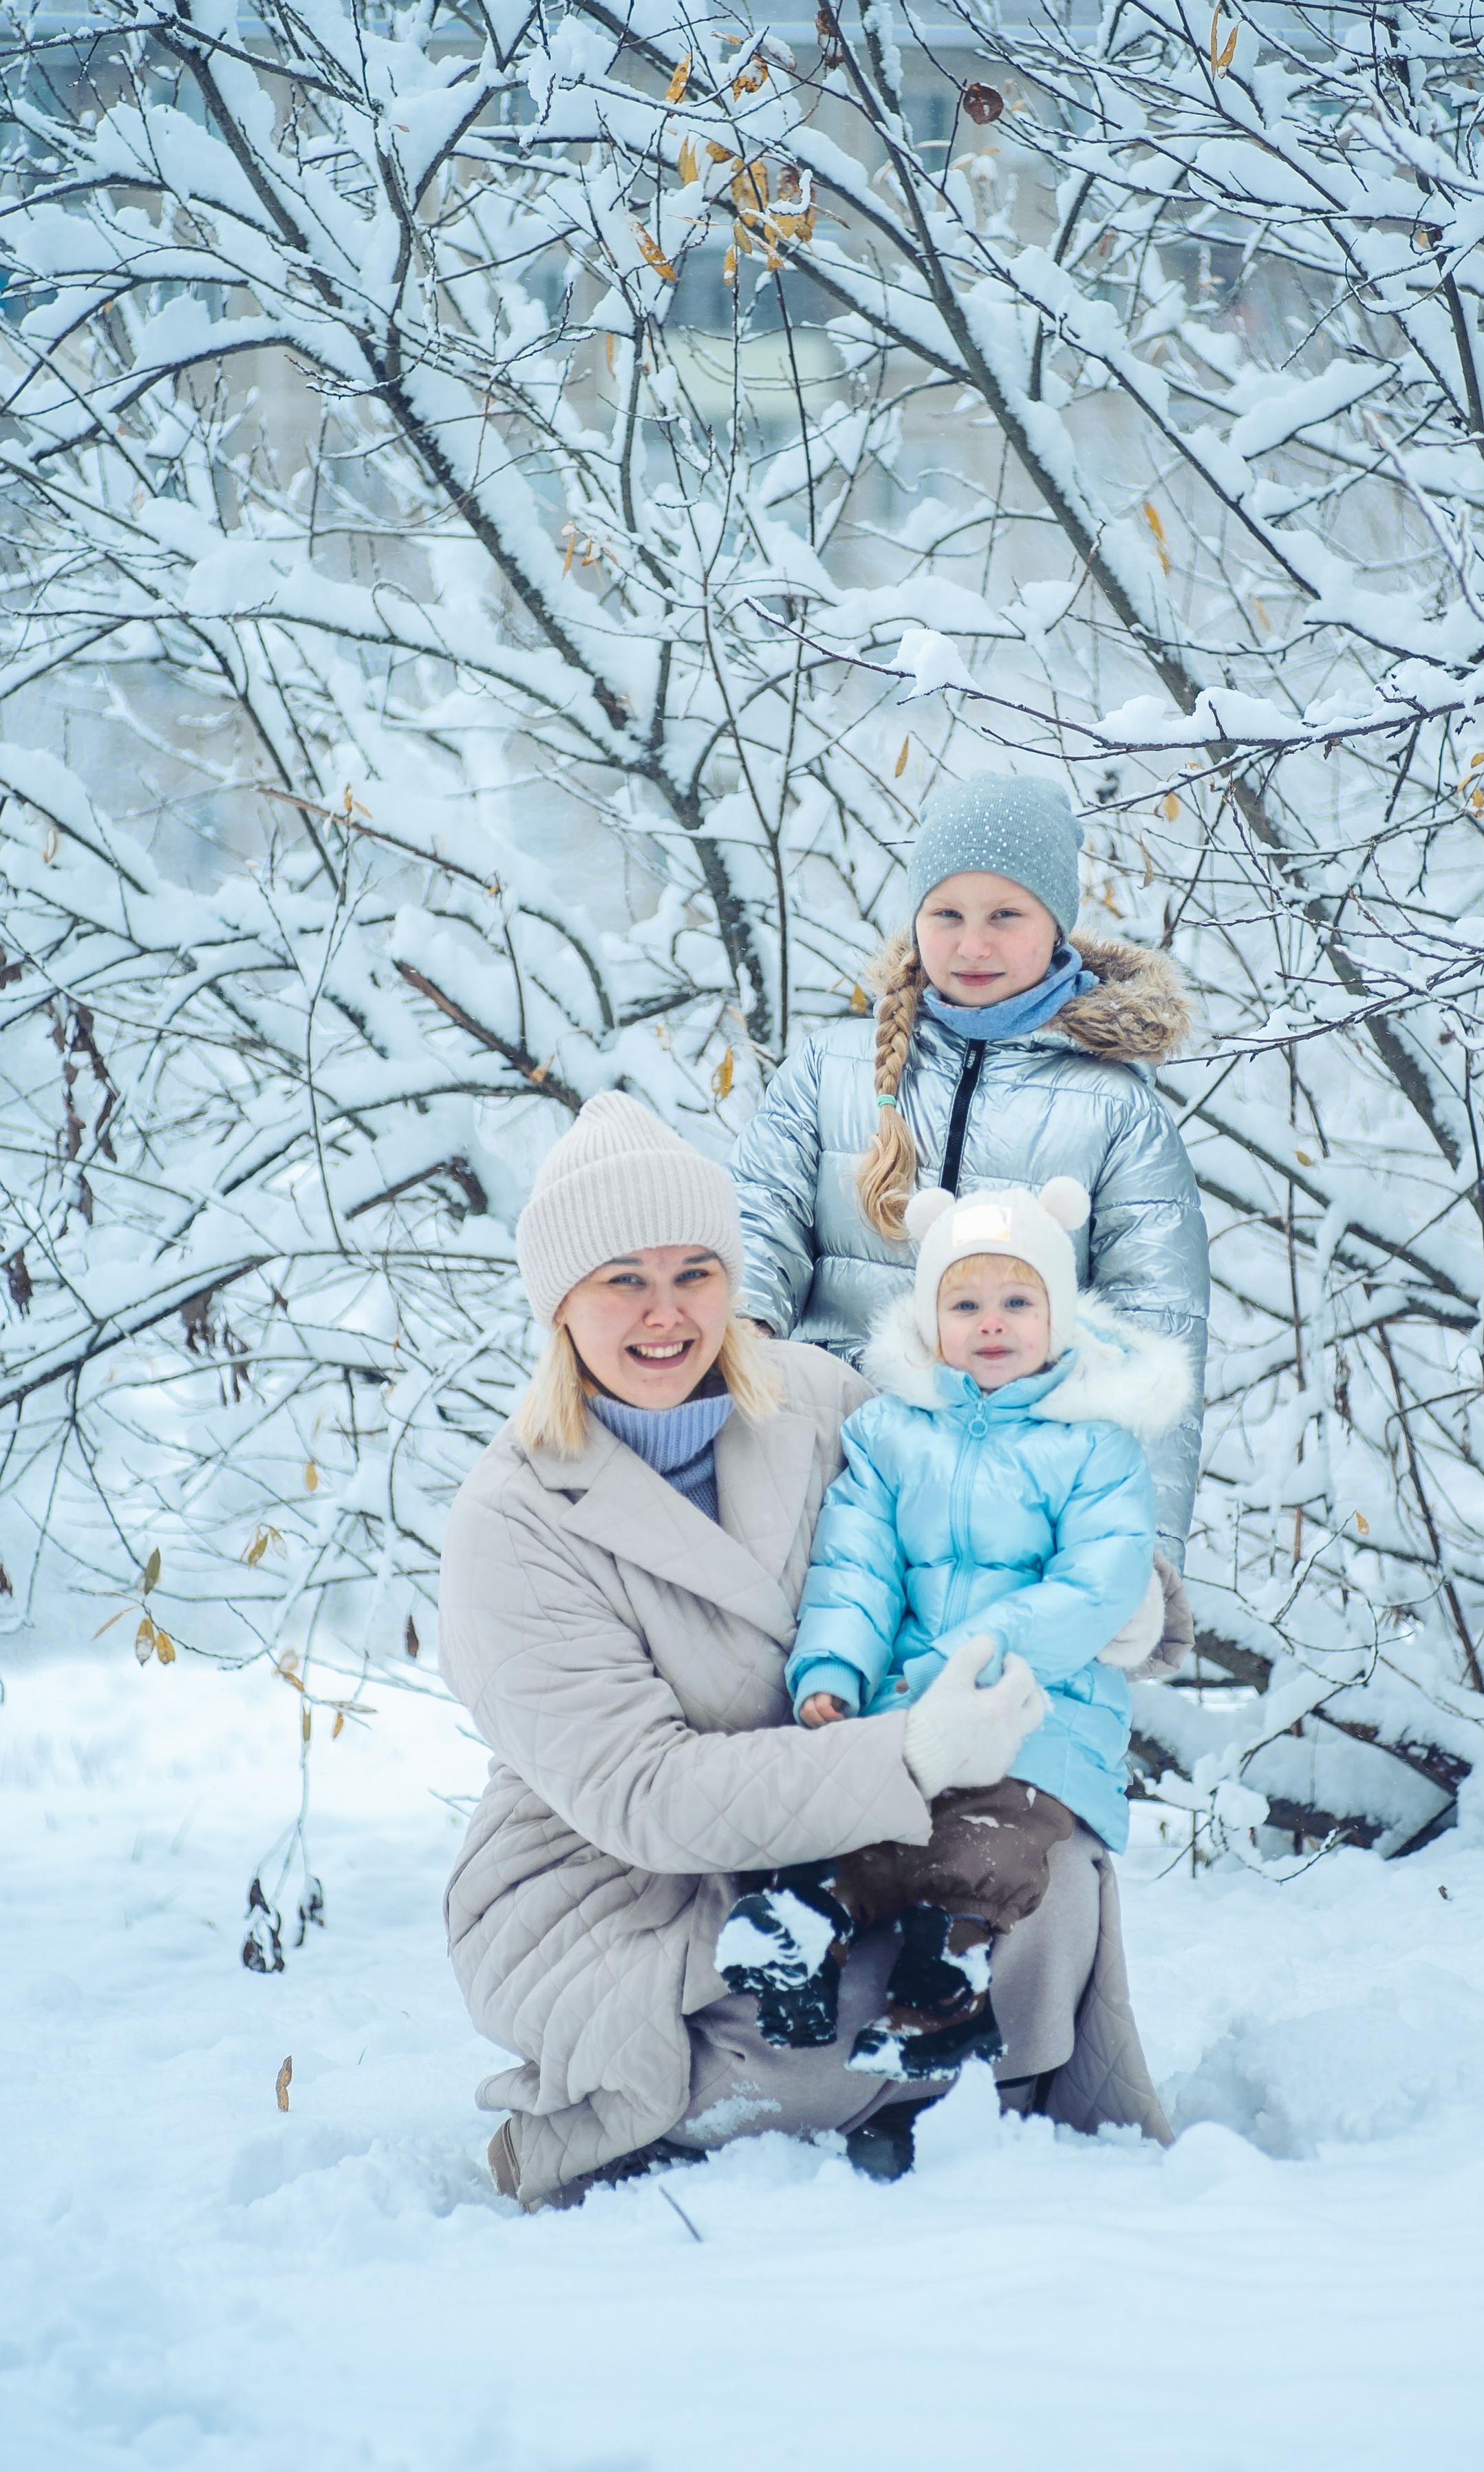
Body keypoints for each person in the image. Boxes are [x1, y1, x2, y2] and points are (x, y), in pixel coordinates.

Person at [438, 1093, 1174, 2207]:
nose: (666, 1313)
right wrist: (915, 1752)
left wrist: (1131, 1602)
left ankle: (945, 2100)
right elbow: (649, 1795)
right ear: (560, 1304)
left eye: (696, 1271)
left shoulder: (817, 1399)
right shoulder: (513, 1520)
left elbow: (1002, 1487)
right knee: (804, 2041)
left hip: (829, 1844)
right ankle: (648, 2120)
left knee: (1047, 1874)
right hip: (622, 1882)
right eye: (623, 1279)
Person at [716, 1177, 1193, 2083]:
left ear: (1059, 1314)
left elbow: (1096, 1583)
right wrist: (833, 1669)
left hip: (1039, 1719)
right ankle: (808, 1923)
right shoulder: (894, 1433)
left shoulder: (1096, 1442)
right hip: (904, 1708)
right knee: (862, 1816)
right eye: (965, 1302)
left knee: (984, 1833)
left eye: (1018, 1299)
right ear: (931, 1317)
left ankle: (945, 1976)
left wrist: (958, 1668)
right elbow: (857, 1566)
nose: (992, 1322)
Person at [727, 771, 1208, 1598]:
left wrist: (1144, 1558)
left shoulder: (1114, 1107)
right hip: (826, 1471)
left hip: (1010, 1500)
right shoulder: (828, 1070)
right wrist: (733, 1372)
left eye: (1005, 916)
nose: (971, 945)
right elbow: (752, 1235)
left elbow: (1155, 1338)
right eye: (946, 914)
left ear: (1056, 925)